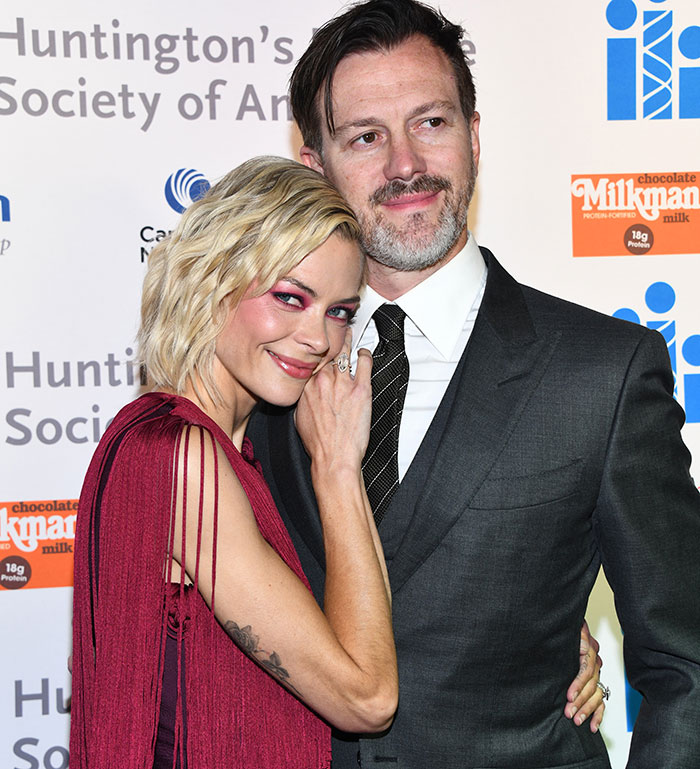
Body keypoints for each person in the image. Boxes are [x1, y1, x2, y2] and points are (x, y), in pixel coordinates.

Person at [246, 1, 700, 767]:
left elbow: (685, 663)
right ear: (313, 167)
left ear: (475, 137)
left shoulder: (601, 373)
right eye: (365, 137)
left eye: (431, 122)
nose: (404, 165)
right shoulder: (262, 368)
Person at [69, 156, 399, 768]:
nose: (318, 338)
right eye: (290, 297)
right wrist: (336, 468)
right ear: (212, 280)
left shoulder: (164, 440)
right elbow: (368, 698)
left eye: (339, 312)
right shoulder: (181, 455)